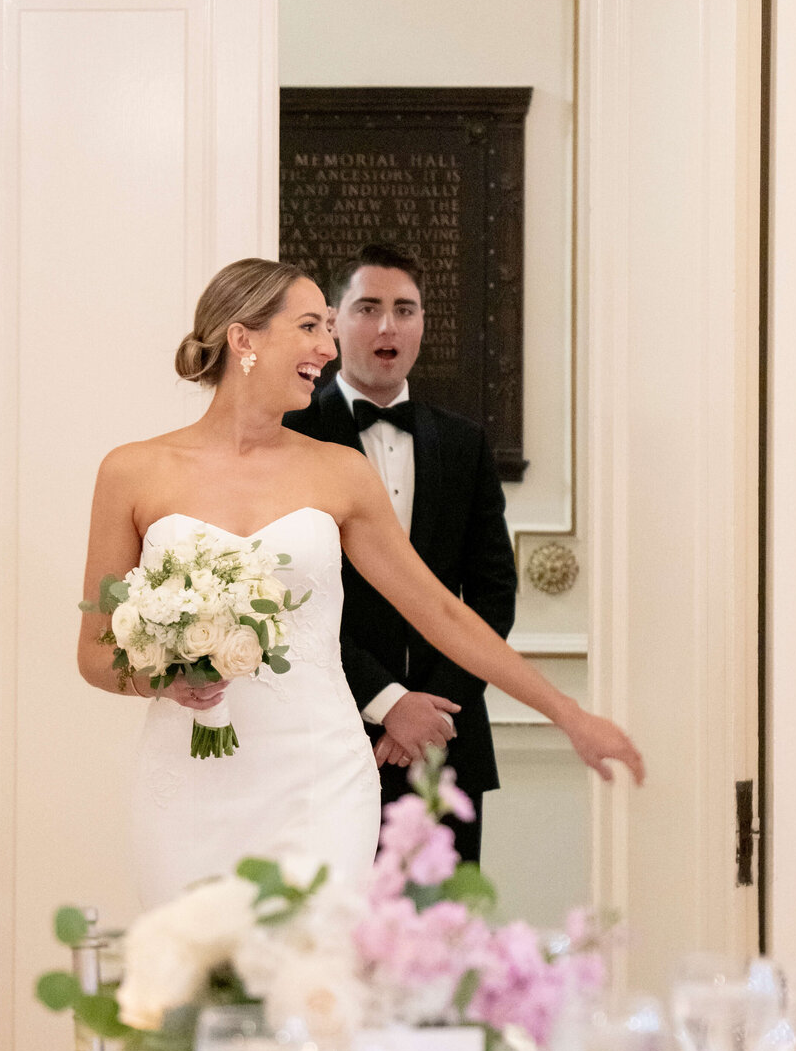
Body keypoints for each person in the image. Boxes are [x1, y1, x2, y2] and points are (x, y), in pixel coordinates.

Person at [78, 258, 643, 907]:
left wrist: (568, 715)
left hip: (320, 775)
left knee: (318, 981)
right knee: (192, 983)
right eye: (312, 325)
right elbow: (95, 654)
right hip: (188, 775)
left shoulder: (341, 473)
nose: (329, 345)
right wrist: (167, 677)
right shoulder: (131, 471)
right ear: (245, 340)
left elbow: (443, 612)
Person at [283, 243, 513, 863]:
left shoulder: (465, 443)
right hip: (327, 736)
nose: (389, 326)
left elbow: (493, 597)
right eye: (369, 308)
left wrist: (430, 712)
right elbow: (288, 598)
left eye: (405, 310)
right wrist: (387, 704)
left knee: (441, 948)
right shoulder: (290, 438)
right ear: (333, 323)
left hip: (446, 743)